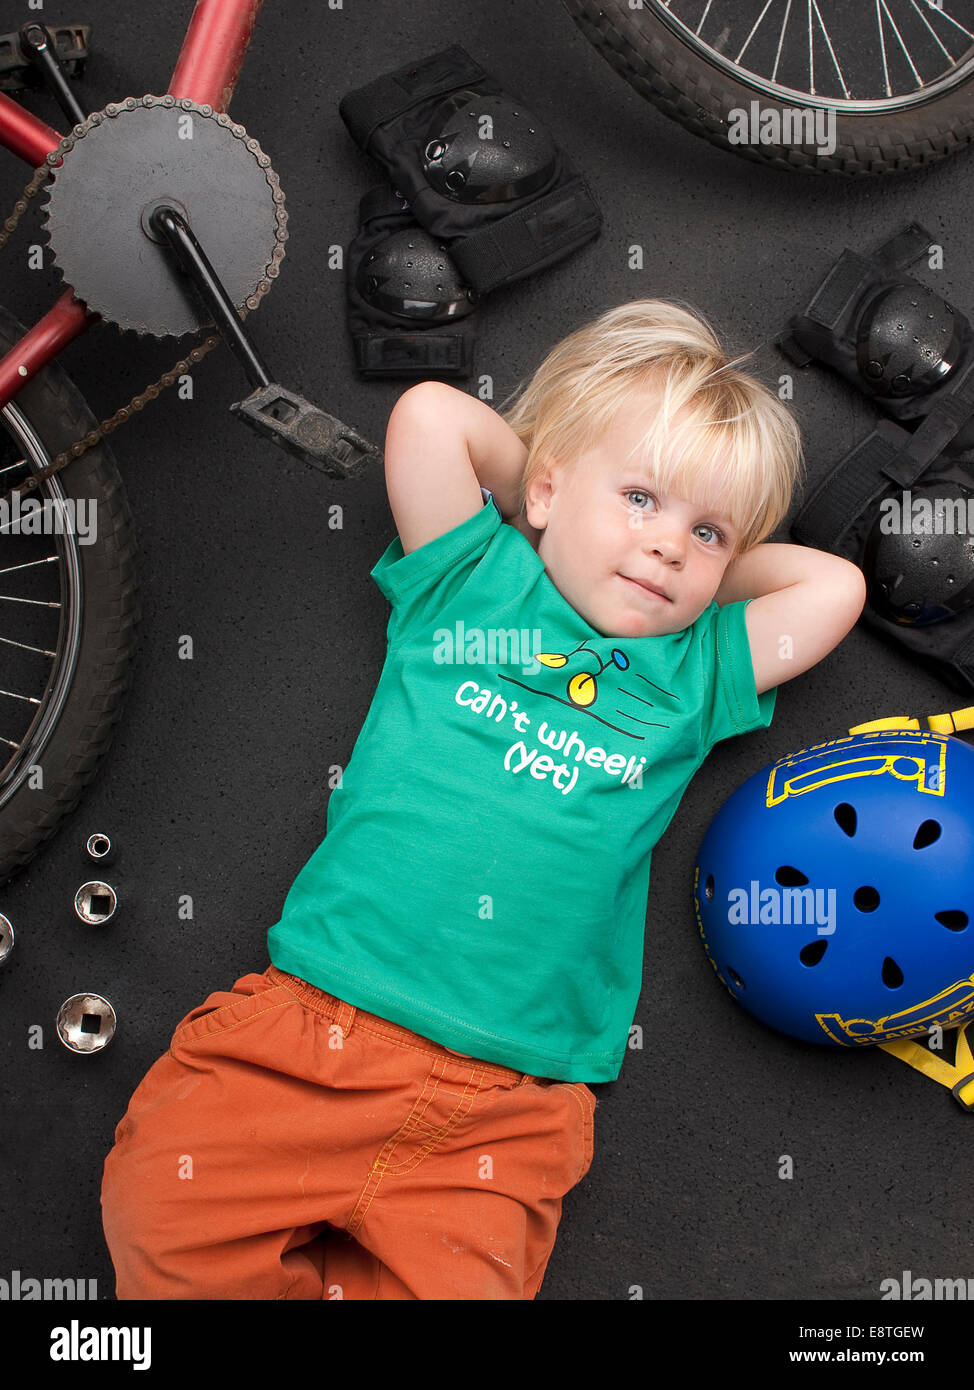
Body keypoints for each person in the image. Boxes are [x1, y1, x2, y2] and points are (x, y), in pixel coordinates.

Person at [100, 299, 866, 1300]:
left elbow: (832, 588)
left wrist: (692, 561)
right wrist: (539, 499)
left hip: (503, 1105)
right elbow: (427, 416)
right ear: (544, 486)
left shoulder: (692, 674)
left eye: (705, 530)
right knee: (159, 1218)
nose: (669, 544)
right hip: (312, 1037)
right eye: (639, 498)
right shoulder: (472, 582)